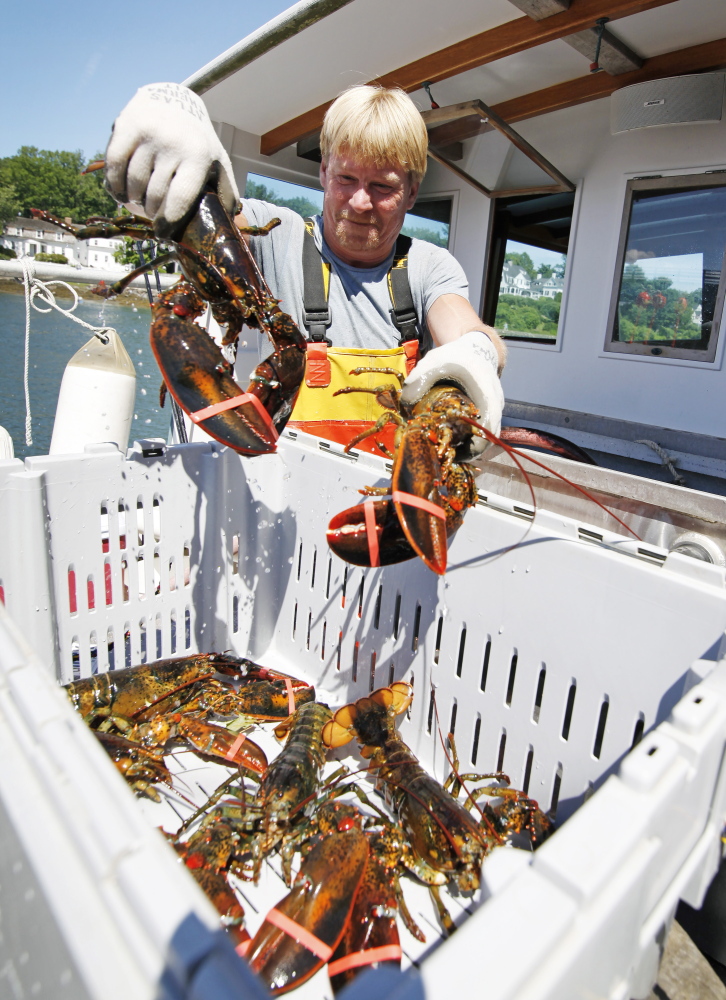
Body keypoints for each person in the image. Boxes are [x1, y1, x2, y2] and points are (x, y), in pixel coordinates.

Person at [104, 81, 506, 456]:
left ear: (412, 192)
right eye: (346, 178)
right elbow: (195, 211)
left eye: (383, 186)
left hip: (384, 501)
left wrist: (478, 350)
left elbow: (466, 329)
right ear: (323, 173)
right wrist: (173, 116)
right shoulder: (276, 233)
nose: (360, 202)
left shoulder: (428, 266)